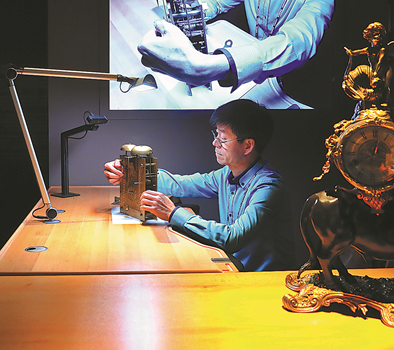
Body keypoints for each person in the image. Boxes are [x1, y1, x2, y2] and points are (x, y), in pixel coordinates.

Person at [103, 99, 294, 271]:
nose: (214, 143)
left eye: (223, 138)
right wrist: (130, 171)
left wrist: (173, 212)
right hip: (233, 268)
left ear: (247, 146)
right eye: (216, 135)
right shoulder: (225, 175)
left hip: (263, 283)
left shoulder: (268, 187)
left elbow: (232, 238)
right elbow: (180, 184)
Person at [138, 0, 334, 93]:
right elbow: (217, 1)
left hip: (293, 82)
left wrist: (202, 67)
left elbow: (299, 40)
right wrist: (192, 12)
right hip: (248, 73)